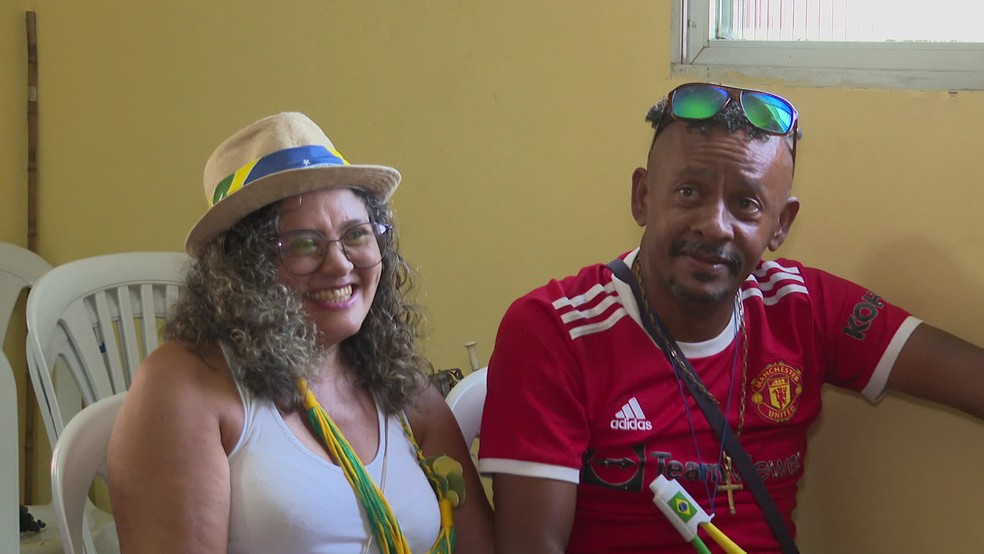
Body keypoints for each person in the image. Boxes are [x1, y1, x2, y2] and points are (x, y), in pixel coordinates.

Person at [477, 83, 984, 553]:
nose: (715, 225)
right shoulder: (556, 330)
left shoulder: (802, 307)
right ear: (642, 197)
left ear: (781, 224)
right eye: (689, 192)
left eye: (745, 204)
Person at [108, 112, 494, 553]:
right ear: (242, 269)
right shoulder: (185, 384)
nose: (341, 264)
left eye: (355, 234)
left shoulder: (405, 393)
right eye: (303, 243)